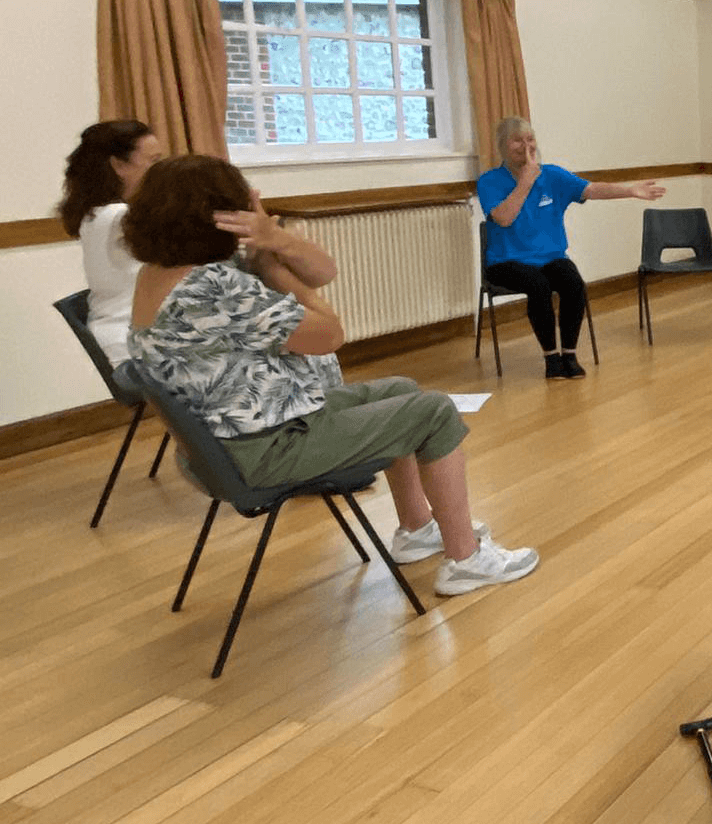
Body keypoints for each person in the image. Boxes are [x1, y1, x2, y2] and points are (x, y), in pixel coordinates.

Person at [123, 155, 537, 597]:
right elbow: (330, 333)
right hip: (264, 449)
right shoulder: (215, 289)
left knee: (400, 391)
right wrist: (272, 269)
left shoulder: (162, 275)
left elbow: (325, 271)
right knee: (431, 410)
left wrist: (273, 239)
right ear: (220, 217)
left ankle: (418, 529)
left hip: (227, 445)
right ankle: (466, 559)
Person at [477, 116, 666, 380]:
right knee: (538, 285)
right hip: (505, 262)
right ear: (503, 146)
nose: (525, 146)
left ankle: (569, 353)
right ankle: (550, 357)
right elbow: (504, 218)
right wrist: (525, 183)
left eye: (530, 139)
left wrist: (630, 190)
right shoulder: (489, 181)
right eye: (517, 140)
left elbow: (591, 189)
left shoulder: (552, 175)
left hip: (550, 257)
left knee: (573, 283)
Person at [58, 120, 162, 364]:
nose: (162, 170)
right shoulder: (118, 218)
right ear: (118, 165)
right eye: (154, 161)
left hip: (127, 337)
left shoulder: (98, 214)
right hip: (131, 345)